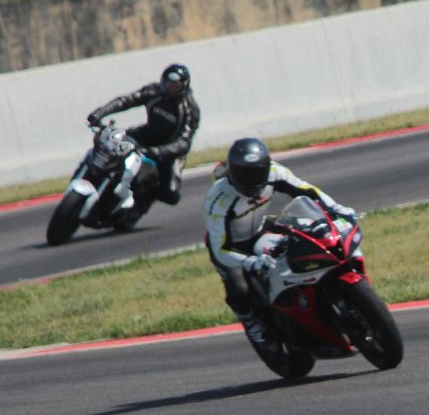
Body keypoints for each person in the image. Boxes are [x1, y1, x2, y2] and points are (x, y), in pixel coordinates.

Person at [202, 137, 357, 347]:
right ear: (233, 172)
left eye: (258, 173)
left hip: (260, 228)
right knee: (240, 290)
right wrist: (249, 262)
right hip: (230, 246)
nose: (253, 180)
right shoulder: (218, 200)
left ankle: (312, 299)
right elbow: (220, 249)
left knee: (305, 243)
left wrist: (336, 208)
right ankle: (251, 324)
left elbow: (308, 191)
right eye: (245, 175)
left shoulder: (275, 172)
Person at [86, 64, 201, 225]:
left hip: (170, 150)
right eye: (169, 84)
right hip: (147, 135)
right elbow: (126, 101)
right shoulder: (153, 92)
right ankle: (95, 176)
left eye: (176, 86)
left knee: (171, 194)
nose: (171, 88)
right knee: (113, 143)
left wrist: (156, 151)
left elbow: (184, 143)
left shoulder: (190, 109)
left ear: (184, 86)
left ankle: (141, 204)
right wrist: (100, 112)